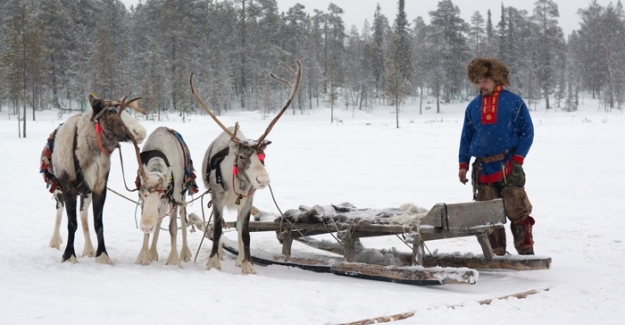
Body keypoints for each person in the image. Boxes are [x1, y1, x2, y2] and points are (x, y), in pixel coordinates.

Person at [458, 58, 535, 255]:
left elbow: (528, 132)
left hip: (508, 165)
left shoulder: (514, 102)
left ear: (495, 79)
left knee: (517, 210)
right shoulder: (473, 107)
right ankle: (496, 255)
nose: (480, 85)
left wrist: (517, 160)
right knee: (488, 215)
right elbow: (466, 137)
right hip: (483, 169)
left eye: (484, 81)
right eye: (478, 81)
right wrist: (463, 164)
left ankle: (526, 254)